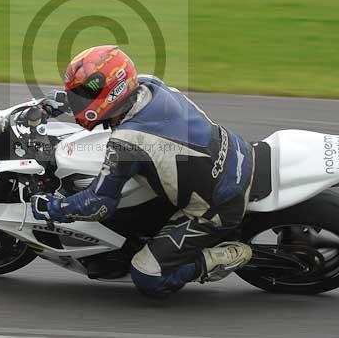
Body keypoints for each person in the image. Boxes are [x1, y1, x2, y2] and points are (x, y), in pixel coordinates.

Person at [31, 45, 255, 298]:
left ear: (113, 91)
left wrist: (53, 208)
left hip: (218, 203)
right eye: (76, 93)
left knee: (148, 277)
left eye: (82, 94)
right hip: (234, 151)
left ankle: (221, 256)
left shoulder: (129, 140)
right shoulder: (148, 85)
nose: (78, 99)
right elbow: (104, 102)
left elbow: (98, 204)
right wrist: (58, 102)